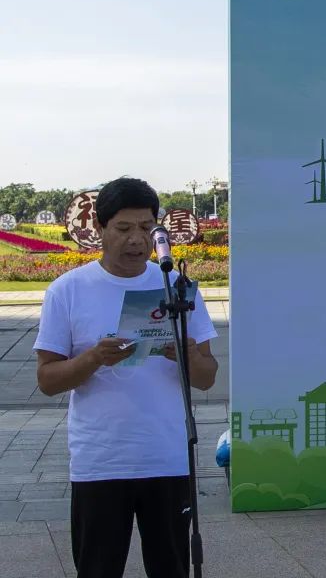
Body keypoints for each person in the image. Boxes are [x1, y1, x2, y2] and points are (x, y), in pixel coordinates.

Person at [34, 177, 219, 578]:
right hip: (100, 461)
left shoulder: (177, 288)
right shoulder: (68, 290)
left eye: (146, 227)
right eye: (123, 228)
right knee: (98, 568)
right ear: (99, 228)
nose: (136, 239)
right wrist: (94, 358)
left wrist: (187, 356)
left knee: (171, 568)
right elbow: (47, 380)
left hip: (168, 457)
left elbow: (207, 377)